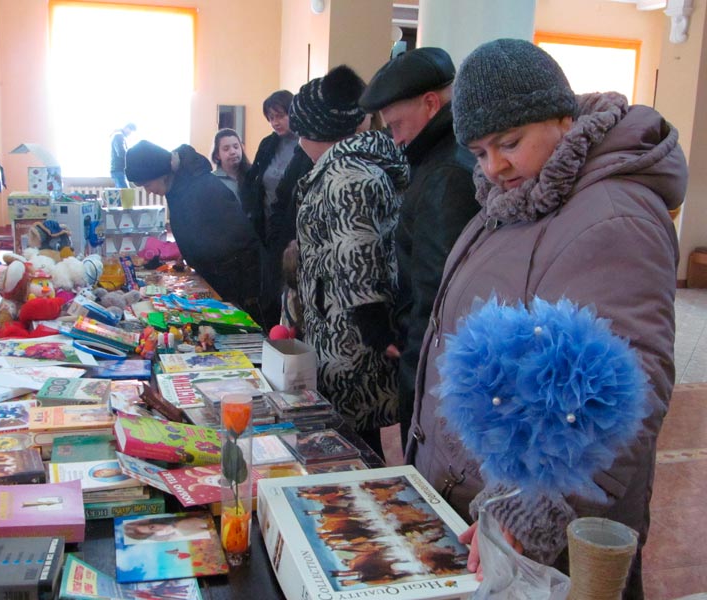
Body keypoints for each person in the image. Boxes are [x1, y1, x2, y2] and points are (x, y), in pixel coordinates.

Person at [405, 39, 687, 598]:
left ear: (563, 117)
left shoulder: (613, 218)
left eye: (510, 143)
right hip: (478, 516)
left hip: (540, 543)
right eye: (480, 151)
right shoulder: (515, 199)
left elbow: (628, 388)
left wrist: (529, 513)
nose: (496, 165)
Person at [359, 47, 479, 451]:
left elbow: (439, 296)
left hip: (436, 362)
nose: (394, 138)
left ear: (431, 103)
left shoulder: (444, 174)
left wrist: (414, 381)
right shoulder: (444, 157)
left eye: (396, 124)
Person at [289, 65, 410, 459]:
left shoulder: (346, 175)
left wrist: (374, 329)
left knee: (353, 439)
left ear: (316, 133)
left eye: (299, 132)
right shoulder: (344, 168)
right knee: (351, 435)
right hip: (338, 321)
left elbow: (359, 252)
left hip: (349, 334)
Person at [125, 140, 262, 321]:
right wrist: (188, 251)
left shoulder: (199, 187)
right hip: (218, 273)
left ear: (161, 174)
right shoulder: (179, 184)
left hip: (237, 281)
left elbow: (234, 239)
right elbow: (196, 228)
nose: (148, 192)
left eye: (147, 185)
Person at [241, 90, 307, 331]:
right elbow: (254, 181)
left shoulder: (305, 144)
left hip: (293, 229)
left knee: (290, 292)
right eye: (270, 117)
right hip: (267, 227)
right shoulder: (268, 144)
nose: (275, 122)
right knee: (270, 291)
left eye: (280, 115)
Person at [211, 128, 250, 200]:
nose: (233, 152)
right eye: (226, 149)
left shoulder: (253, 175)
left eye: (236, 147)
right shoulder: (212, 180)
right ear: (217, 154)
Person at [109, 123, 136, 188]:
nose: (130, 133)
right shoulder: (119, 136)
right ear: (126, 127)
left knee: (122, 193)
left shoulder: (119, 136)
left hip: (119, 170)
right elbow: (121, 152)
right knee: (125, 193)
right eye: (131, 130)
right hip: (118, 169)